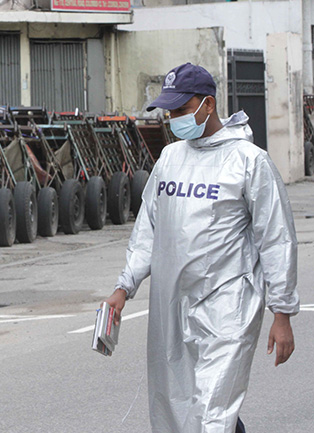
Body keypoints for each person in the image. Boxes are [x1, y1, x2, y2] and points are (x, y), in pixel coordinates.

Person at [105, 63, 299, 433]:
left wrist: (283, 313)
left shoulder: (248, 162)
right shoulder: (170, 160)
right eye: (169, 112)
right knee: (177, 411)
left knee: (213, 410)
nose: (174, 118)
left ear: (208, 105)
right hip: (173, 305)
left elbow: (276, 239)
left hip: (228, 306)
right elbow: (149, 230)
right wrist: (123, 288)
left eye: (181, 109)